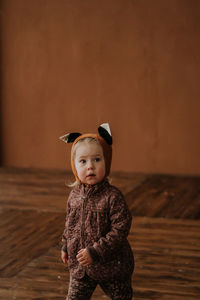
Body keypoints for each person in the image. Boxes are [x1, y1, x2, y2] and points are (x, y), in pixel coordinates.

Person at [60, 123, 134, 300]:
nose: (90, 166)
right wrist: (65, 245)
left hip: (112, 266)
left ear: (106, 162)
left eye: (97, 159)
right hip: (81, 267)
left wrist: (95, 251)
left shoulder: (112, 197)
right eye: (83, 161)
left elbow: (120, 229)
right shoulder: (74, 196)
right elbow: (70, 224)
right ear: (74, 166)